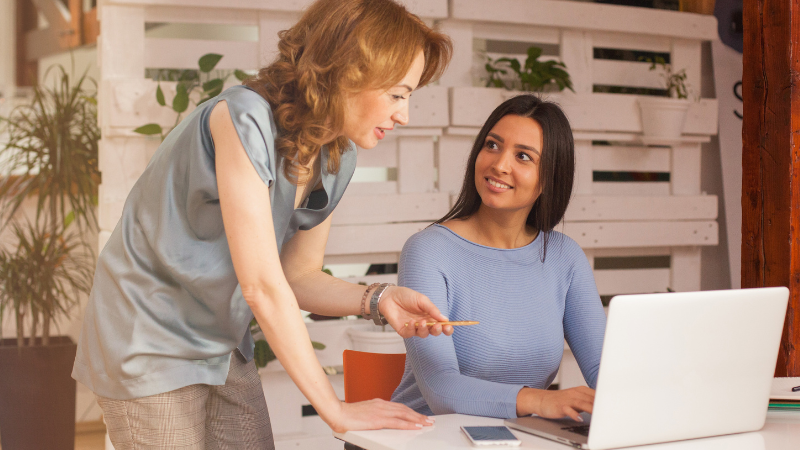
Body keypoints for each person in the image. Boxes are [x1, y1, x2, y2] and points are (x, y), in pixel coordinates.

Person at [72, 0, 453, 447]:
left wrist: (379, 298)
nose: (404, 115)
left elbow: (298, 277)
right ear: (350, 72)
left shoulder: (337, 155)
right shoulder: (243, 117)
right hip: (147, 336)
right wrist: (335, 408)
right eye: (398, 94)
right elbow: (261, 285)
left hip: (221, 341)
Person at [391, 95, 607, 421]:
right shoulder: (428, 250)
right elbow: (440, 389)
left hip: (516, 440)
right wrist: (540, 401)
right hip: (427, 437)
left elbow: (604, 371)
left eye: (523, 156)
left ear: (549, 178)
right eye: (492, 145)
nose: (499, 164)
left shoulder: (565, 257)